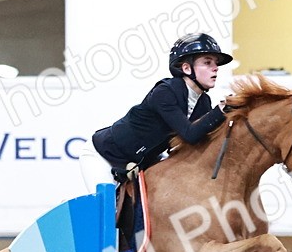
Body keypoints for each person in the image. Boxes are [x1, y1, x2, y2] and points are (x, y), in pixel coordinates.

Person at [91, 32, 233, 183]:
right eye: (207, 62)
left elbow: (201, 140)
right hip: (104, 155)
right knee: (107, 198)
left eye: (216, 63)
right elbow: (190, 134)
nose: (216, 68)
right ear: (186, 68)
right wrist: (221, 109)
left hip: (140, 163)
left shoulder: (203, 102)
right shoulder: (165, 92)